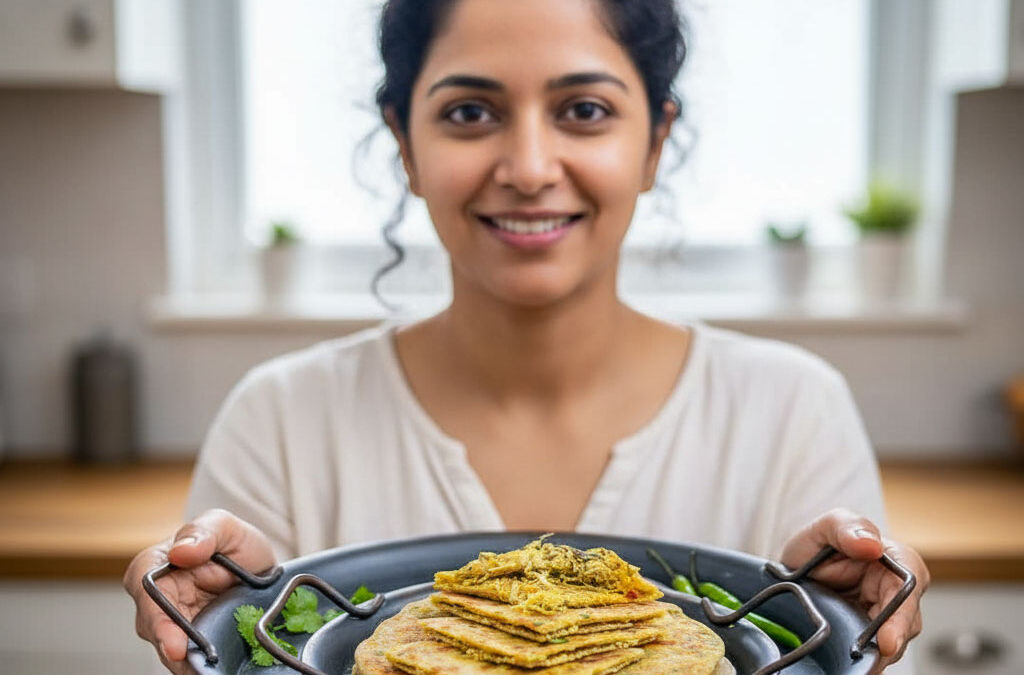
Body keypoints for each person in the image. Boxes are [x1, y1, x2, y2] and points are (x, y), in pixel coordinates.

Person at [124, 0, 929, 672]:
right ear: (404, 141)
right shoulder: (281, 418)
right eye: (471, 112)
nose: (531, 166)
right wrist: (238, 614)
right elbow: (242, 636)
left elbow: (830, 639)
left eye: (584, 110)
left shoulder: (791, 407)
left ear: (654, 141)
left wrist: (824, 603)